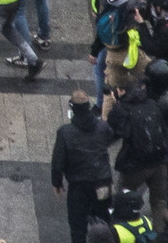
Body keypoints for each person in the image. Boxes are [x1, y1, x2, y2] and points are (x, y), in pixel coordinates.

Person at [107, 78, 168, 233]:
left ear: (122, 91)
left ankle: (121, 233)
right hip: (160, 162)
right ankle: (159, 236)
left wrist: (112, 106)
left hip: (135, 165)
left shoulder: (122, 108)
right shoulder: (152, 104)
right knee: (159, 202)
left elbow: (112, 133)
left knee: (122, 198)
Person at [51, 88, 115, 243]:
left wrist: (57, 182)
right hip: (102, 182)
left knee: (77, 225)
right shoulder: (101, 127)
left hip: (79, 185)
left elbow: (58, 161)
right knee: (103, 221)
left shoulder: (65, 132)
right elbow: (110, 136)